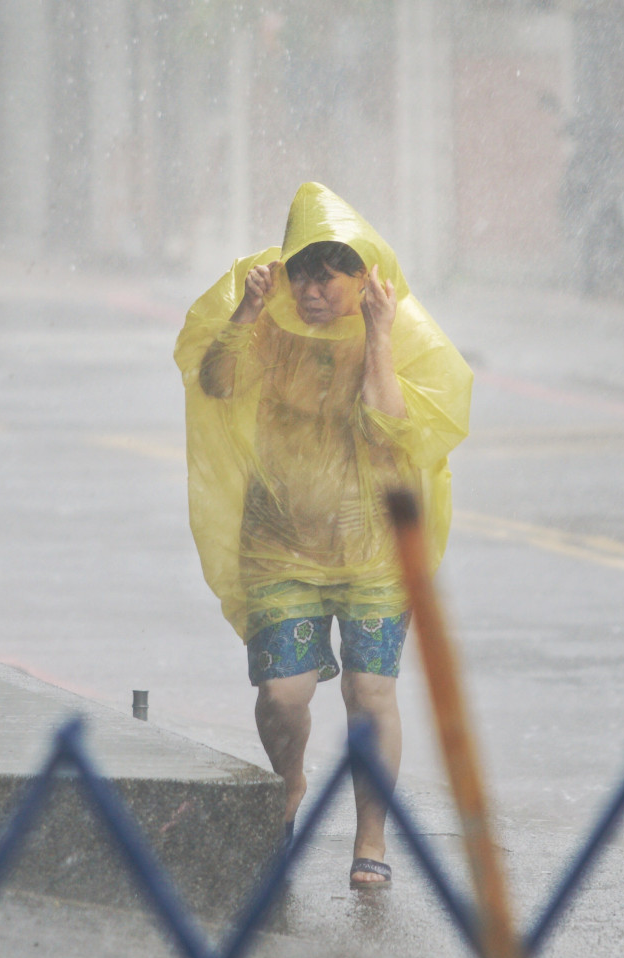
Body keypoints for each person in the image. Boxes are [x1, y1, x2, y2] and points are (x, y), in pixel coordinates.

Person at [175, 182, 472, 888]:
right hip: (279, 541)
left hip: (372, 552)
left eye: (328, 276)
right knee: (283, 694)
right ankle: (292, 782)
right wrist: (246, 311)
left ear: (359, 275)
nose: (311, 291)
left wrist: (375, 335)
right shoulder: (266, 321)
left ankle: (370, 833)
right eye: (301, 272)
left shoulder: (398, 325)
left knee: (372, 691)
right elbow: (214, 383)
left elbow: (393, 425)